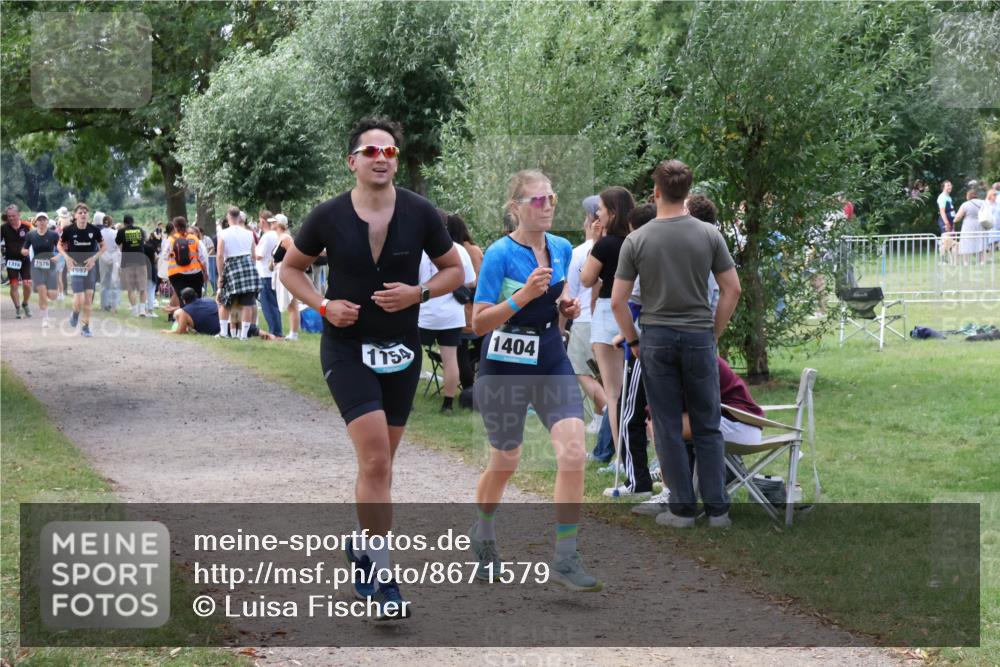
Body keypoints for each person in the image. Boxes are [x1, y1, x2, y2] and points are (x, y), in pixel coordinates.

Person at [279, 117, 464, 619]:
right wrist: (322, 306)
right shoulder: (329, 216)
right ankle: (382, 577)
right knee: (377, 460)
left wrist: (418, 293)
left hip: (400, 349)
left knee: (381, 463)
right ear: (353, 161)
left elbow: (455, 270)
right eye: (371, 151)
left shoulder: (421, 213)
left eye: (390, 151)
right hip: (346, 347)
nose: (382, 158)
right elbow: (289, 269)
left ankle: (362, 547)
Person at [468, 169, 602, 592]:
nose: (546, 207)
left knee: (574, 451)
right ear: (516, 209)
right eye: (537, 200)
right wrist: (522, 296)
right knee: (505, 461)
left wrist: (566, 308)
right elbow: (478, 322)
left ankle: (565, 556)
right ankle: (484, 531)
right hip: (504, 365)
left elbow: (560, 302)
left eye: (552, 199)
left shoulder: (561, 248)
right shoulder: (499, 254)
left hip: (549, 358)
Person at [612, 159, 741, 528]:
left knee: (667, 423)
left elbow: (619, 300)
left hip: (656, 337)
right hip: (699, 334)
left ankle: (682, 508)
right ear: (687, 191)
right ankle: (718, 511)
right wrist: (713, 332)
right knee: (707, 422)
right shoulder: (708, 235)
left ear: (656, 192)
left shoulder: (637, 239)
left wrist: (634, 340)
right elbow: (732, 288)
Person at [633, 356, 764, 515]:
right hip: (726, 420)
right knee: (659, 422)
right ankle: (678, 493)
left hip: (740, 423)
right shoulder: (686, 354)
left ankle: (671, 495)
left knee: (662, 426)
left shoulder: (693, 360)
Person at [603, 203, 657, 500]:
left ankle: (638, 481)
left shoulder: (639, 251)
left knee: (629, 412)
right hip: (681, 339)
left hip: (646, 342)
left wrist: (631, 339)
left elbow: (623, 302)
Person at [580, 187, 636, 463]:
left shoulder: (605, 244)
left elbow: (587, 279)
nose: (597, 213)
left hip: (607, 310)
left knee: (613, 394)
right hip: (634, 311)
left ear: (612, 212)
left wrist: (593, 241)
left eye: (601, 208)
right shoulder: (637, 240)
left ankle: (623, 460)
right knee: (632, 390)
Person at [418, 209, 477, 414]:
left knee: (413, 356)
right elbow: (470, 281)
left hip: (423, 312)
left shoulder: (419, 249)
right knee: (450, 359)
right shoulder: (459, 250)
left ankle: (405, 400)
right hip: (451, 314)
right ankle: (448, 404)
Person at [565, 195, 607, 439]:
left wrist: (562, 326)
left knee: (581, 371)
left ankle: (609, 413)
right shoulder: (618, 246)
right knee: (603, 375)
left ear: (593, 221)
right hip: (607, 320)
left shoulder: (580, 252)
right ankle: (603, 417)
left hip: (583, 320)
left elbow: (568, 292)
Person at [445, 213, 484, 391]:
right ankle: (472, 388)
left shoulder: (448, 251)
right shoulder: (473, 250)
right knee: (484, 346)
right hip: (472, 309)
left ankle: (468, 388)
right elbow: (480, 280)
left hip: (455, 309)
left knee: (460, 350)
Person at [59, 203, 105, 337]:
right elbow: (59, 245)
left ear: (88, 215)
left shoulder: (94, 230)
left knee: (88, 298)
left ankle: (85, 326)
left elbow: (103, 247)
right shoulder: (69, 230)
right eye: (80, 212)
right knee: (79, 298)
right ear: (75, 216)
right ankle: (75, 313)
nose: (83, 214)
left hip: (90, 267)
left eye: (85, 212)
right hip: (75, 267)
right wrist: (66, 257)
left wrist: (94, 258)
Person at [215, 206, 260, 339]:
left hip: (232, 266)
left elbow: (219, 255)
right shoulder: (249, 233)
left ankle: (223, 333)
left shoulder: (223, 233)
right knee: (248, 303)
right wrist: (253, 269)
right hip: (248, 266)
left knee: (225, 301)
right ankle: (244, 335)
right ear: (239, 218)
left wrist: (220, 275)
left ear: (228, 217)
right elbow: (253, 254)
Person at [271, 214, 311, 340]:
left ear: (278, 224)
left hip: (287, 272)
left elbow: (294, 254)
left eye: (273, 222)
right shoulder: (279, 238)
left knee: (292, 303)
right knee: (290, 304)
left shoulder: (286, 238)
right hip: (279, 271)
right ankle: (293, 332)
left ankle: (294, 333)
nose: (271, 224)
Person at [21, 212, 60, 327]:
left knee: (52, 295)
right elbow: (24, 248)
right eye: (39, 220)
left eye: (44, 220)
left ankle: (49, 295)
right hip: (37, 267)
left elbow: (61, 249)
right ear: (36, 222)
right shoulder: (31, 235)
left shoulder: (53, 235)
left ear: (47, 222)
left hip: (50, 266)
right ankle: (45, 318)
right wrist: (24, 251)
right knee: (42, 292)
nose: (42, 222)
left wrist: (57, 256)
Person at [255, 210, 283, 336]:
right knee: (274, 304)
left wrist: (252, 251)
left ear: (263, 221)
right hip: (272, 273)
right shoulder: (276, 235)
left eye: (259, 220)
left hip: (265, 273)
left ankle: (275, 331)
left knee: (268, 306)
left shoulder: (267, 237)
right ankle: (277, 329)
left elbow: (259, 255)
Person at [115, 214, 149, 317]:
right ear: (133, 221)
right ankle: (142, 310)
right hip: (141, 260)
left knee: (130, 288)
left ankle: (134, 310)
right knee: (142, 286)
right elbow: (145, 240)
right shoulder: (140, 230)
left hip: (127, 261)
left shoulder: (121, 231)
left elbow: (117, 243)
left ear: (124, 222)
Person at [167, 216, 207, 299]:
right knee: (197, 299)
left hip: (177, 274)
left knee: (183, 299)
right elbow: (202, 257)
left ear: (174, 226)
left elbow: (165, 256)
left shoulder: (170, 240)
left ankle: (184, 310)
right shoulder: (194, 238)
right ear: (186, 225)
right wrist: (205, 272)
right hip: (195, 273)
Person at [2, 204, 32, 318]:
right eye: (9, 216)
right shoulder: (3, 228)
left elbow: (36, 238)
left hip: (25, 260)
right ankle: (18, 308)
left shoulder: (27, 226)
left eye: (13, 216)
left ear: (19, 214)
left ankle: (25, 303)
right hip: (11, 260)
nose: (11, 218)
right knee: (13, 286)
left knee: (27, 284)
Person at [953, 189, 986, 265]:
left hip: (968, 225)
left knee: (966, 242)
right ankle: (982, 261)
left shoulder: (965, 204)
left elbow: (958, 216)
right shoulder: (983, 203)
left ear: (968, 196)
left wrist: (954, 221)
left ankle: (966, 262)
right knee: (980, 241)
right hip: (980, 224)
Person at [97, 213, 121, 311]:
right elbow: (117, 246)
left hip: (103, 257)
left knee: (104, 281)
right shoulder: (115, 233)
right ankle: (113, 305)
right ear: (111, 223)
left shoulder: (99, 233)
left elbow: (99, 246)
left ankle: (103, 304)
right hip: (114, 257)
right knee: (114, 281)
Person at [54, 207, 71, 300]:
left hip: (59, 253)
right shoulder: (68, 227)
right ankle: (62, 292)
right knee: (61, 274)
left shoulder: (59, 230)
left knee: (58, 275)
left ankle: (60, 293)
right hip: (65, 252)